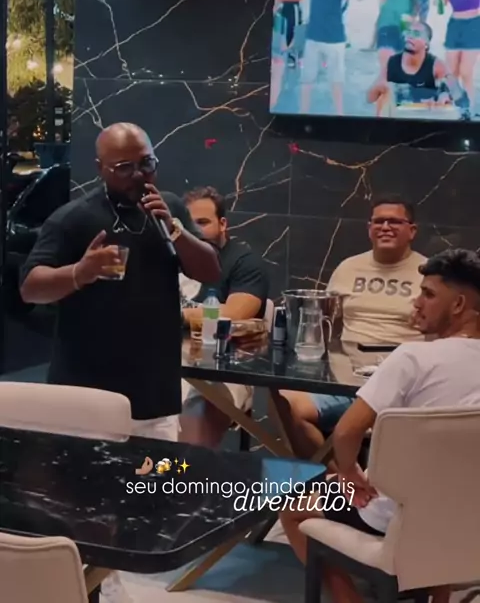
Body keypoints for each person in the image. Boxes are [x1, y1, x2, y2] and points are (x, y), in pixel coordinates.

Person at [281, 248, 480, 603]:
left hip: (396, 516)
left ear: (459, 304)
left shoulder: (412, 358)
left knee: (292, 508)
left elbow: (346, 432)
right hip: (466, 518)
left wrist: (349, 474)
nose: (416, 302)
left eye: (428, 294)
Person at [20, 123, 220, 440]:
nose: (139, 175)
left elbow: (210, 271)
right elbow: (31, 288)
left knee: (156, 474)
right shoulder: (74, 218)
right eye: (125, 168)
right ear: (100, 168)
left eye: (147, 163)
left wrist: (175, 229)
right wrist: (79, 272)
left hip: (155, 397)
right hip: (86, 396)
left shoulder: (170, 209)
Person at [276, 196, 425, 459]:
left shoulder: (429, 273)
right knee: (285, 402)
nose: (385, 227)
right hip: (347, 381)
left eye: (394, 221)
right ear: (369, 228)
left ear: (412, 230)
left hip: (403, 388)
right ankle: (338, 478)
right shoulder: (348, 268)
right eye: (379, 221)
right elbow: (326, 325)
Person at [180, 186, 269, 447]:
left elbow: (234, 313)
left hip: (226, 367)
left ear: (223, 224)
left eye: (203, 222)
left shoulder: (245, 262)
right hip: (171, 361)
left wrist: (174, 315)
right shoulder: (173, 258)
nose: (195, 231)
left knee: (194, 414)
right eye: (189, 224)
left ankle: (187, 469)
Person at [289, 0, 363, 116]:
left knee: (336, 80)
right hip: (313, 36)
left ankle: (339, 113)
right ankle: (303, 112)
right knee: (307, 79)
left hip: (335, 38)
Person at [367, 19, 471, 119]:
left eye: (416, 34)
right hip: (399, 117)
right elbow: (370, 98)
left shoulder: (436, 65)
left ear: (426, 44)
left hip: (424, 116)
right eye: (408, 32)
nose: (410, 36)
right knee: (384, 97)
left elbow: (460, 97)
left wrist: (446, 96)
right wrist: (382, 88)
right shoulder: (393, 63)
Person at [444, 0, 480, 111]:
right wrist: (440, 0)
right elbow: (442, 5)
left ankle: (470, 107)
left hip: (473, 26)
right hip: (454, 26)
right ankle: (457, 105)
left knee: (466, 72)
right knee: (452, 73)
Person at [273, 0, 307, 69]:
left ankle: (293, 55)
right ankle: (285, 53)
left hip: (294, 9)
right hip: (283, 8)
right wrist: (275, 7)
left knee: (293, 30)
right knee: (282, 31)